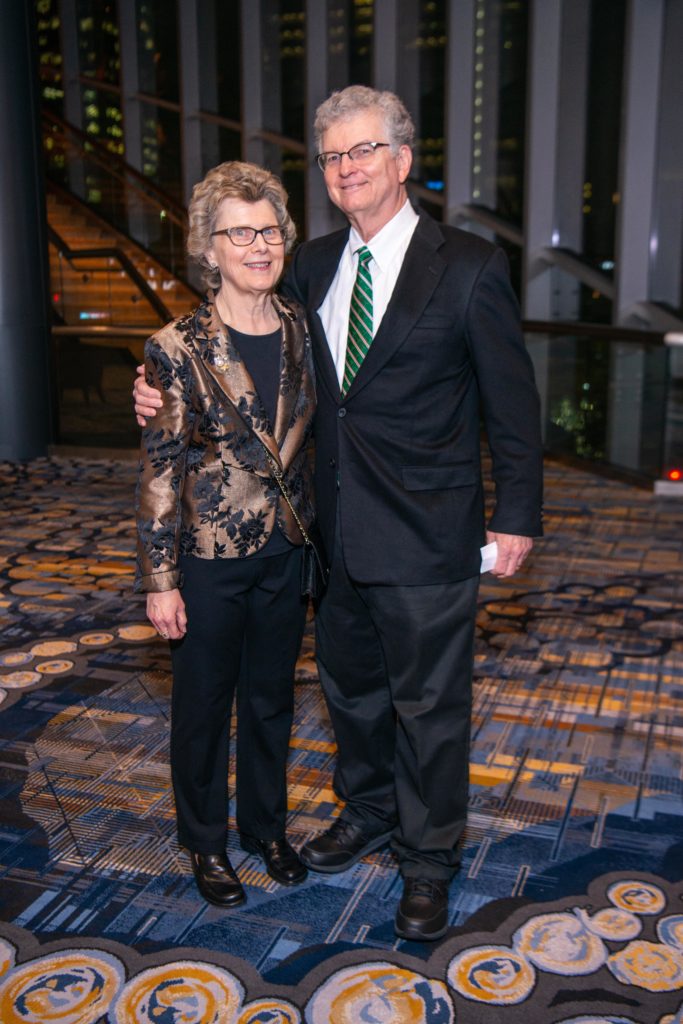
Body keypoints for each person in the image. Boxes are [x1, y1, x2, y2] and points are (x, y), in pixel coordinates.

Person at [135, 87, 543, 941]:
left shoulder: (468, 265)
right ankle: (366, 810)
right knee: (350, 692)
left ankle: (427, 858)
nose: (347, 167)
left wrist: (516, 515)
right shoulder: (311, 265)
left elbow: (512, 405)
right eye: (331, 156)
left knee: (428, 708)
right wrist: (152, 392)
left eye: (363, 150)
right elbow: (239, 355)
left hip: (429, 532)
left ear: (402, 160)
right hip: (329, 534)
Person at [135, 160, 316, 909]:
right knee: (204, 707)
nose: (257, 246)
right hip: (208, 559)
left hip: (287, 549)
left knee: (271, 700)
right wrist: (160, 581)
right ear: (209, 249)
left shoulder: (303, 327)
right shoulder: (176, 346)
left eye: (268, 231)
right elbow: (159, 471)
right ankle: (205, 841)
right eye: (239, 233)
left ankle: (265, 829)